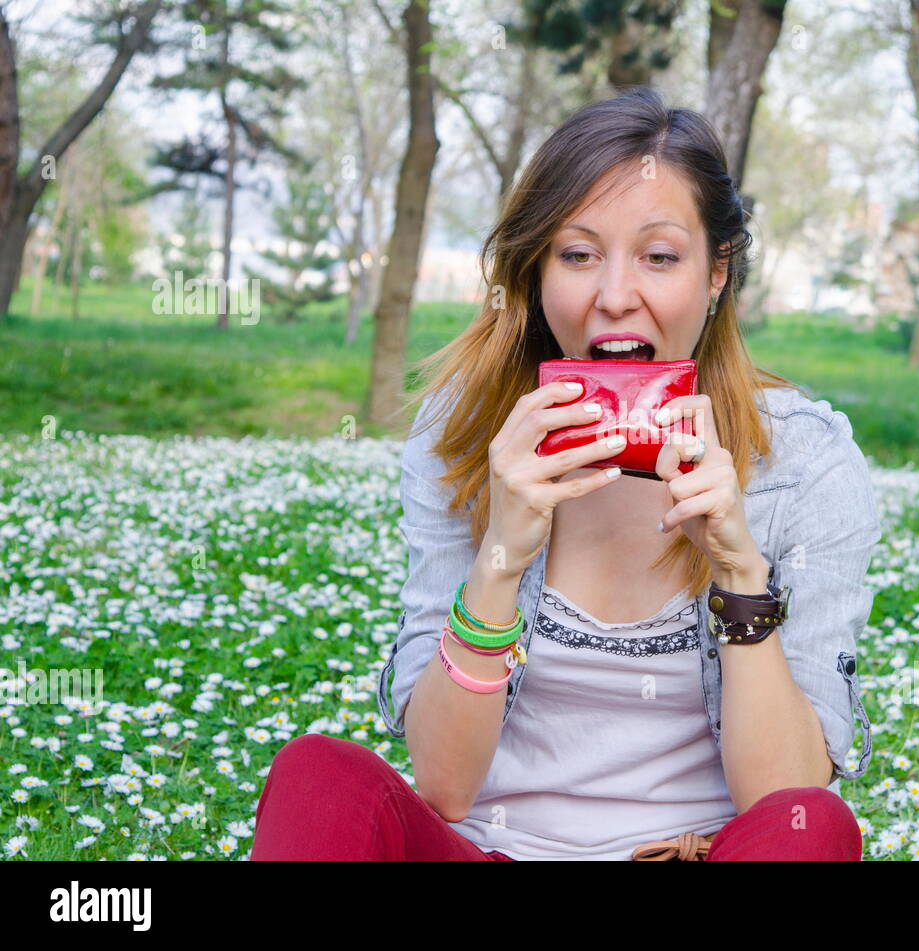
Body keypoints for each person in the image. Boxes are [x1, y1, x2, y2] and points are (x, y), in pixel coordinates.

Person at [251, 85, 882, 862]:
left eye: (659, 256)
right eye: (578, 255)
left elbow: (788, 806)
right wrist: (502, 554)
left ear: (717, 272)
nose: (616, 298)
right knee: (317, 774)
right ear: (538, 274)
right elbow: (442, 785)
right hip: (491, 851)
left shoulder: (805, 465)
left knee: (821, 830)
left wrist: (739, 570)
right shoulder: (465, 439)